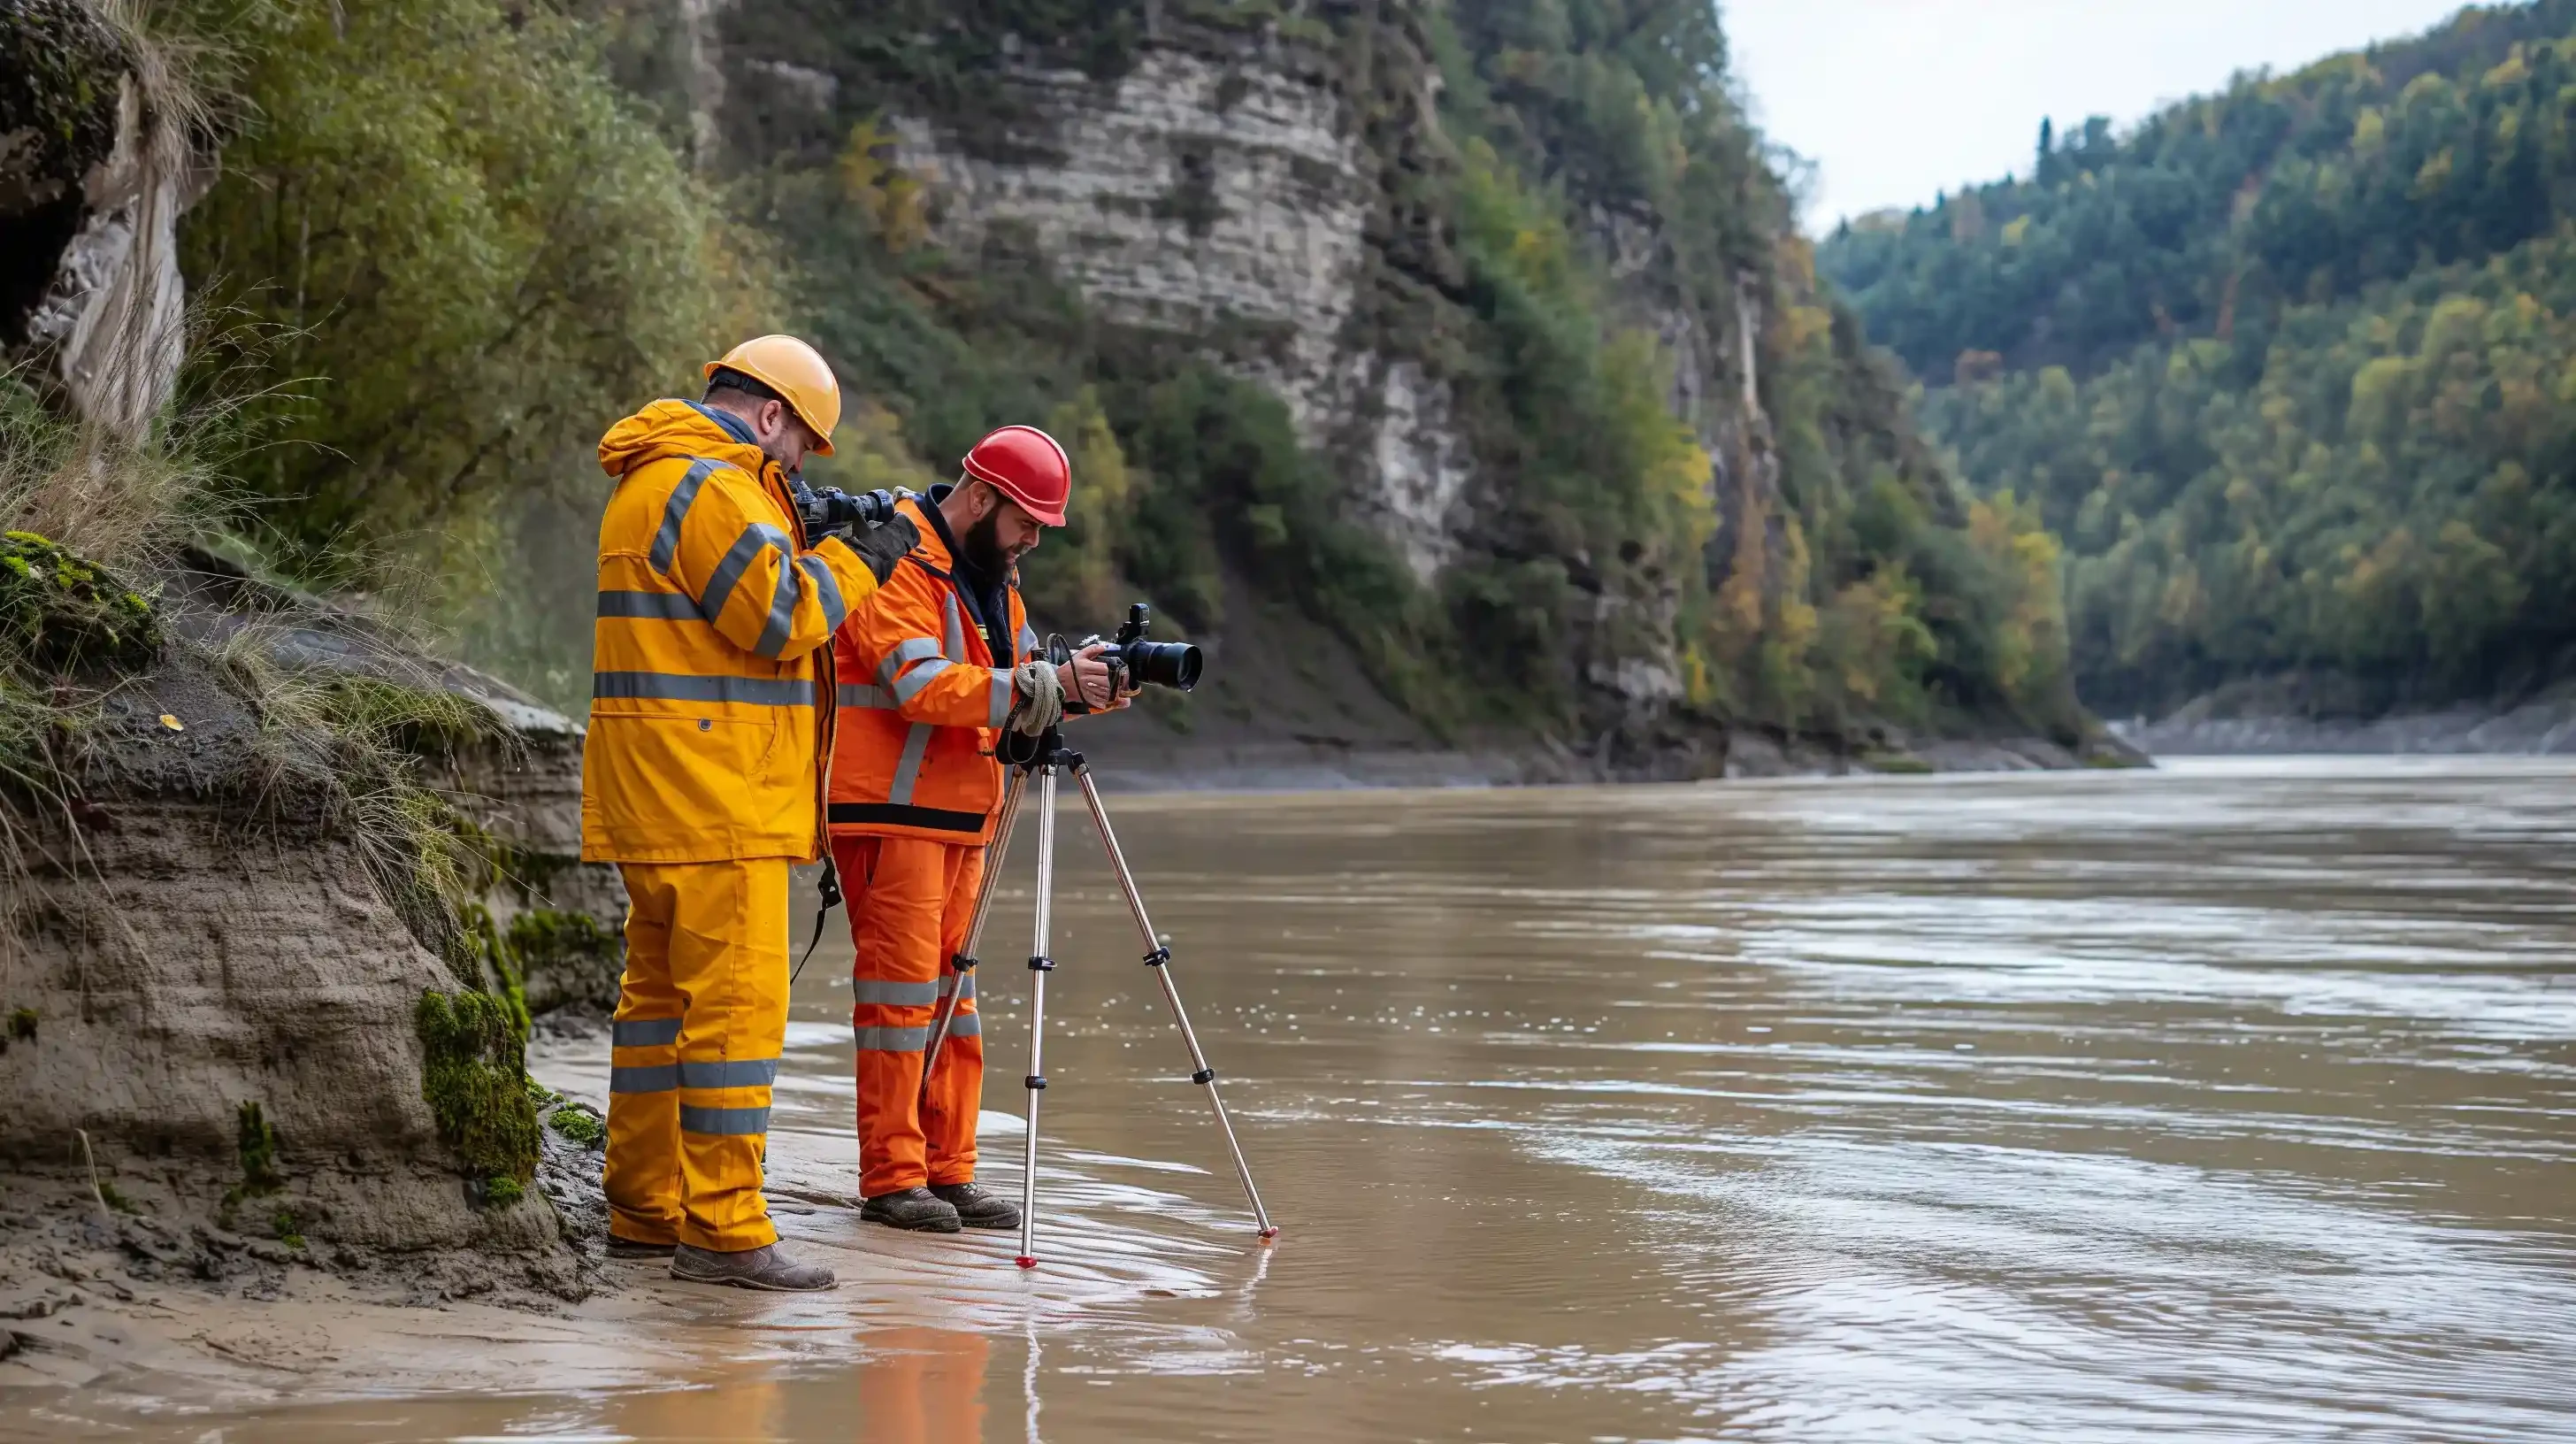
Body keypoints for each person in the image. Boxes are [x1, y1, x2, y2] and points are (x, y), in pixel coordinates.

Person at [580, 334, 918, 1290]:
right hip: (714, 797)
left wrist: (811, 532)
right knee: (732, 1023)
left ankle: (644, 1209)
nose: (799, 469)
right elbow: (781, 616)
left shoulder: (654, 481)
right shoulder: (708, 488)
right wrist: (865, 558)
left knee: (655, 1016)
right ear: (771, 417)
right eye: (802, 447)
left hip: (659, 796)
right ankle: (725, 1228)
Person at [827, 424, 1125, 1233]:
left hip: (963, 814)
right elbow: (917, 684)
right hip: (891, 813)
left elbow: (1018, 682)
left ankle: (945, 1170)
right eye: (1027, 521)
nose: (1032, 539)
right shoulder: (893, 556)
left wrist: (1078, 687)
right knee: (898, 1000)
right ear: (985, 497)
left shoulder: (997, 575)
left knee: (951, 999)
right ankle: (893, 1180)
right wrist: (1042, 683)